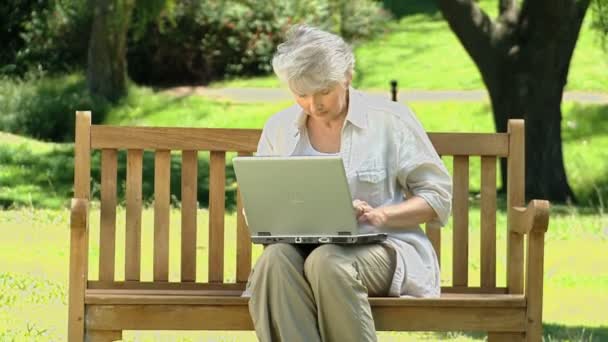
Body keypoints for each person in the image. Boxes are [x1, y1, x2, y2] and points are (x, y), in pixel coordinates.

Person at [242, 24, 452, 342]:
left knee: (327, 261)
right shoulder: (280, 128)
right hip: (301, 252)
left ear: (348, 76)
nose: (315, 105)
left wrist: (381, 215)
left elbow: (437, 196)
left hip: (381, 248)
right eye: (301, 95)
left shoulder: (389, 121)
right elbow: (258, 205)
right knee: (274, 261)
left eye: (324, 91)